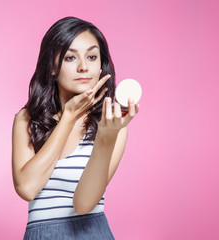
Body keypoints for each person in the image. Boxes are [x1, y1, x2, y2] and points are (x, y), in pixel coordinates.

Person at [11, 16, 139, 239]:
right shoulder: (27, 119)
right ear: (52, 66)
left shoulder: (111, 123)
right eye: (70, 57)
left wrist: (106, 139)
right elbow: (27, 188)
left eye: (92, 57)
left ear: (101, 66)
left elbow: (83, 204)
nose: (83, 67)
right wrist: (69, 116)